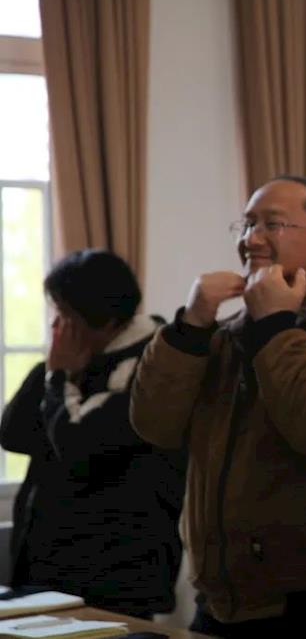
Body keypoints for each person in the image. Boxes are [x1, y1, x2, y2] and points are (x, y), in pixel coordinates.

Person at [130, 176, 306, 637]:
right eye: (246, 224)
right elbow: (154, 425)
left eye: (272, 224)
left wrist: (277, 326)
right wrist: (190, 328)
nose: (251, 239)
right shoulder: (229, 333)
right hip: (224, 598)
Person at [0, 250, 185, 618]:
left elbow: (79, 447)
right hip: (47, 567)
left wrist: (60, 380)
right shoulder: (75, 361)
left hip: (115, 572)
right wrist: (53, 369)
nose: (57, 325)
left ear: (106, 320)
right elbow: (13, 433)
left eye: (66, 316)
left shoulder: (151, 366)